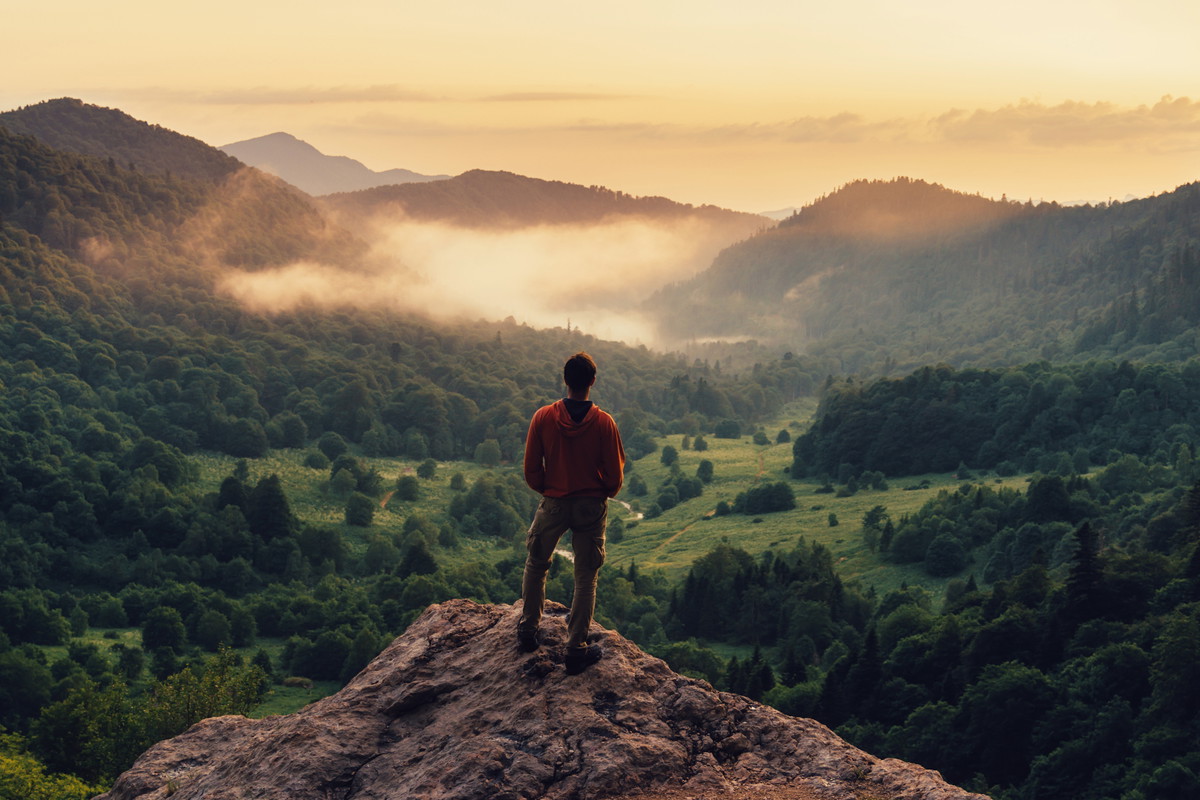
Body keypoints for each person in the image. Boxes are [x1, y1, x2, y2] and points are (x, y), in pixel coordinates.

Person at [518, 352, 625, 674]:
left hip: (553, 502)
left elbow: (531, 467)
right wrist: (601, 492)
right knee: (585, 576)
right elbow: (615, 475)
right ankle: (575, 647)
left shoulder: (543, 417)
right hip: (590, 505)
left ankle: (526, 631)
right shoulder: (604, 422)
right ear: (592, 381)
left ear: (565, 380)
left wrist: (549, 490)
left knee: (536, 565)